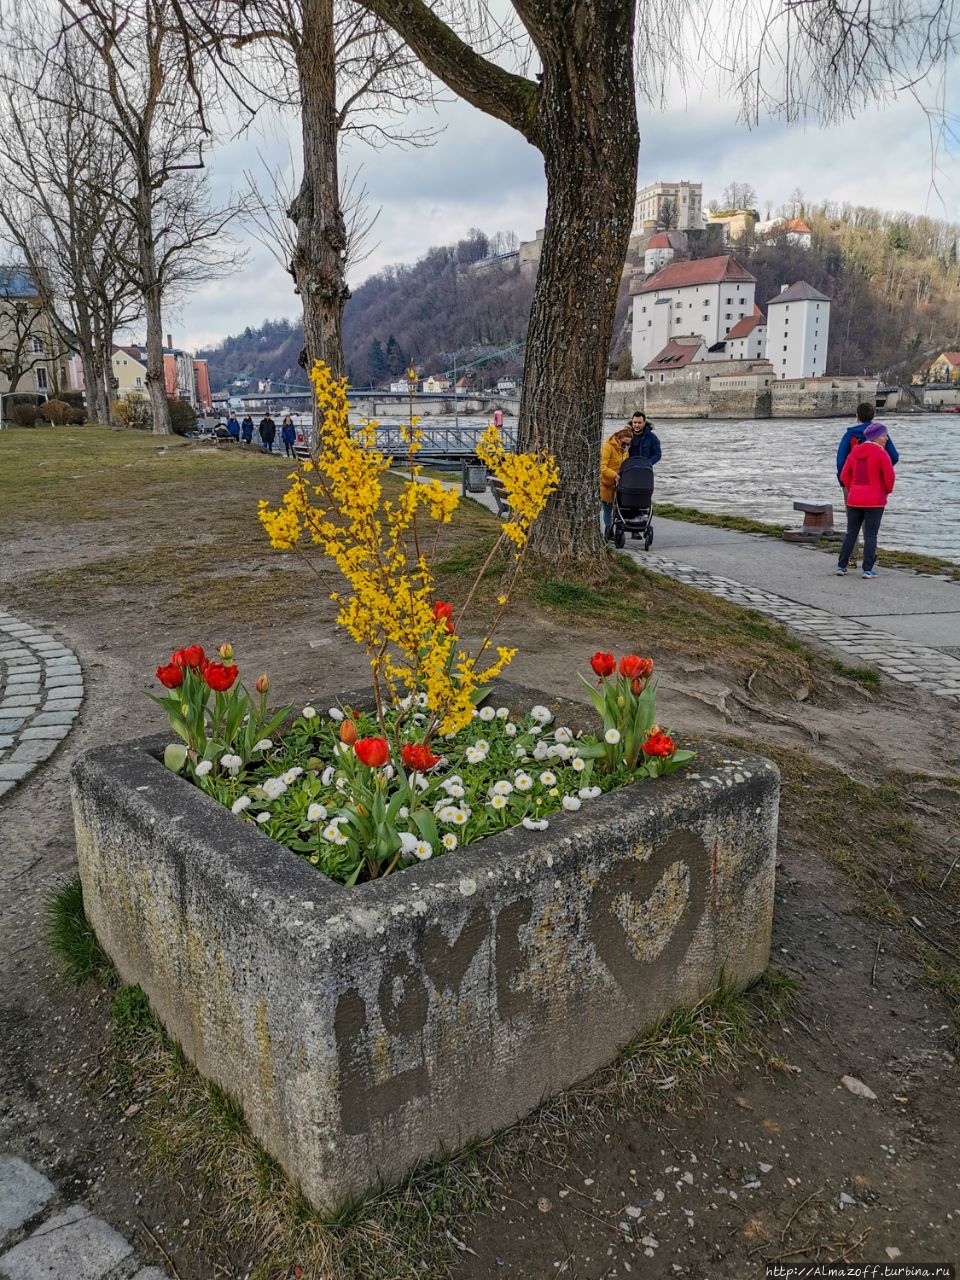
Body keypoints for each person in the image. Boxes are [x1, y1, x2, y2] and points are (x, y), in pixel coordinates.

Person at [836, 422, 895, 579]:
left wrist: (852, 488)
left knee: (851, 533)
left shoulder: (854, 453)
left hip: (855, 498)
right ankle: (867, 569)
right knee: (871, 535)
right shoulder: (882, 454)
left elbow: (844, 475)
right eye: (884, 435)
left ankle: (841, 566)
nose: (886, 438)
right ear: (876, 437)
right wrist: (886, 491)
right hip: (874, 500)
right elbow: (889, 477)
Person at [600, 425, 634, 538]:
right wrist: (615, 475)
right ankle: (608, 530)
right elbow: (602, 467)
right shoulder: (608, 447)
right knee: (608, 507)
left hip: (620, 483)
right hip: (607, 482)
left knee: (619, 508)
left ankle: (618, 530)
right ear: (618, 439)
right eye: (625, 443)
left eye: (629, 444)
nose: (627, 446)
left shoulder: (624, 450)